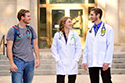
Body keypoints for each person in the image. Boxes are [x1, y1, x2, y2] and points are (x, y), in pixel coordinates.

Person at [6, 9, 40, 83]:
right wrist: (12, 63)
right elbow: (9, 47)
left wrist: (38, 58)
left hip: (30, 62)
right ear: (22, 17)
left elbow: (35, 44)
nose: (30, 18)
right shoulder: (13, 30)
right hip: (18, 61)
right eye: (28, 16)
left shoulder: (31, 29)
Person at [82, 8, 114, 83]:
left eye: (92, 15)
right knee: (93, 81)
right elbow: (86, 47)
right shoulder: (90, 31)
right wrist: (84, 60)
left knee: (107, 80)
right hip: (92, 61)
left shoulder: (108, 29)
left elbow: (110, 46)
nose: (91, 17)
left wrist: (107, 61)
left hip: (103, 60)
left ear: (98, 15)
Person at [51, 16, 82, 83]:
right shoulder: (57, 35)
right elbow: (54, 49)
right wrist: (58, 60)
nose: (71, 24)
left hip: (72, 62)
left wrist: (75, 60)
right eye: (69, 22)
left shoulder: (75, 34)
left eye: (71, 22)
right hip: (61, 63)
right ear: (63, 23)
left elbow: (78, 48)